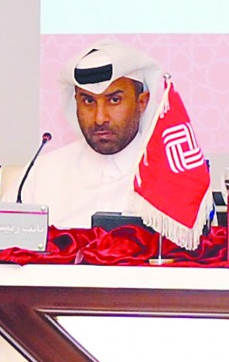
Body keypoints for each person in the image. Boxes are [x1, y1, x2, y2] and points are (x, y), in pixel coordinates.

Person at [19, 39, 165, 228]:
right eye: (88, 101)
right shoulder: (41, 174)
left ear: (142, 103)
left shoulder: (171, 175)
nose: (100, 118)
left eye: (114, 100)